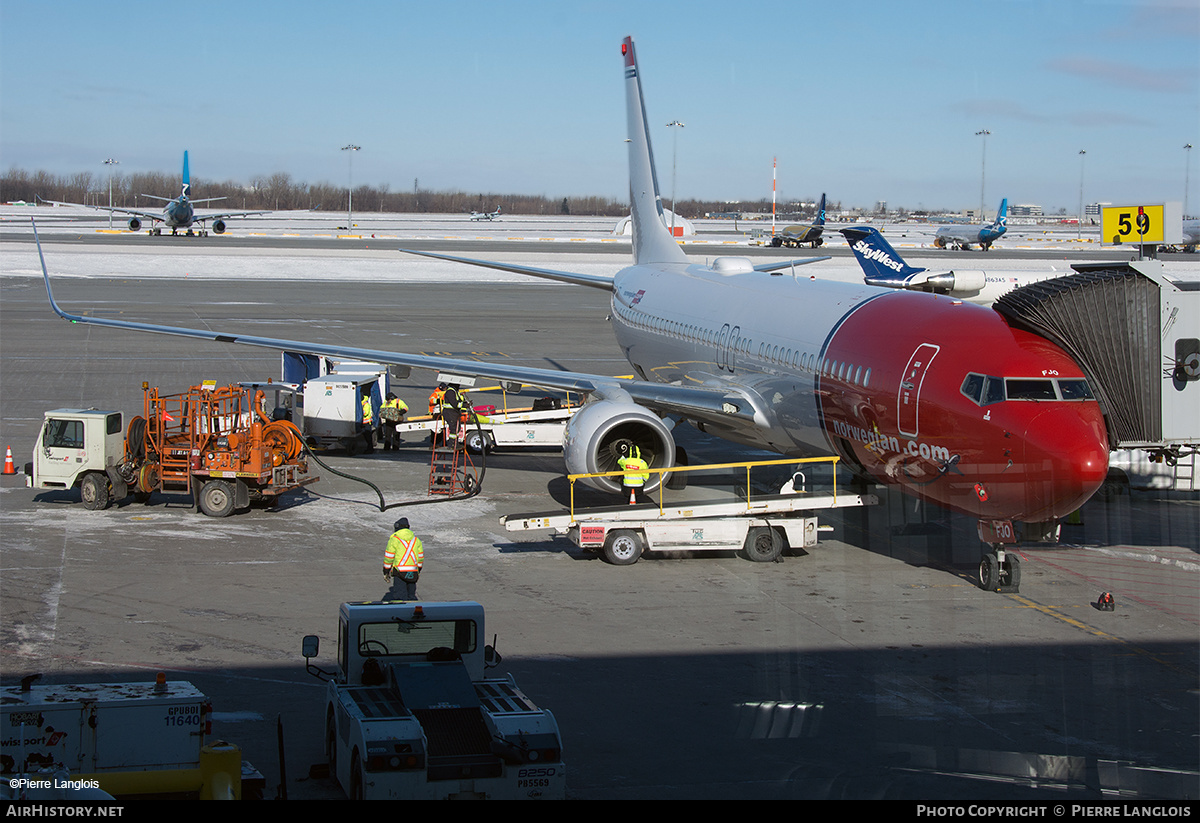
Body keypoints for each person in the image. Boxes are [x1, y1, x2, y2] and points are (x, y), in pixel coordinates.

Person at [383, 517, 423, 600]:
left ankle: (401, 611)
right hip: (413, 572)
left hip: (399, 572)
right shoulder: (416, 540)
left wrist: (386, 570)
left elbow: (389, 556)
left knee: (400, 597)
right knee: (411, 595)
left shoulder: (394, 540)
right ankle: (413, 611)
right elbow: (420, 558)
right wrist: (418, 569)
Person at [359, 389, 376, 454]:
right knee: (366, 437)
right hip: (363, 423)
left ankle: (370, 449)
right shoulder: (361, 403)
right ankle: (369, 448)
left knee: (368, 437)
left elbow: (365, 413)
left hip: (366, 423)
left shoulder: (366, 404)